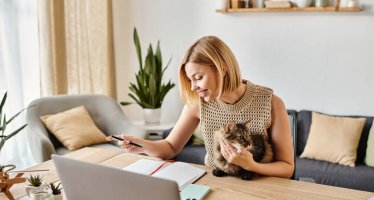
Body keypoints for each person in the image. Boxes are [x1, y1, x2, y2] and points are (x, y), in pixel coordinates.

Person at [117, 36, 294, 178]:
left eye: (198, 77)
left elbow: (287, 168)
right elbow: (170, 147)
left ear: (222, 68)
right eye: (190, 80)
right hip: (216, 186)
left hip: (262, 191)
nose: (193, 87)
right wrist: (142, 145)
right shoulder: (197, 105)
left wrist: (252, 166)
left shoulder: (270, 103)